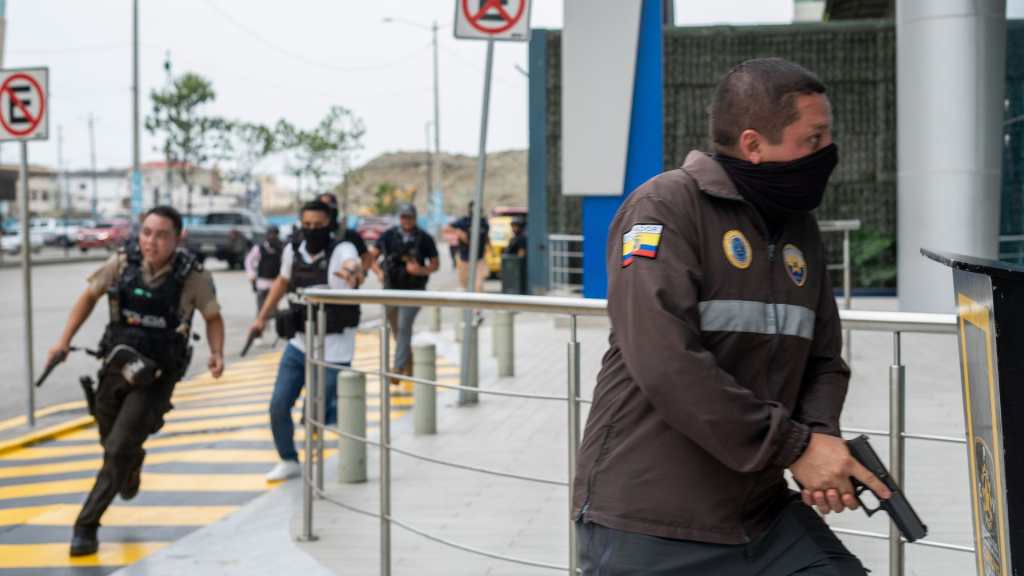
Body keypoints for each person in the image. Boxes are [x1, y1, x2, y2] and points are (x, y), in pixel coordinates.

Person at [572, 58, 892, 575]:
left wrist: (819, 440)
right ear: (752, 144)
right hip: (653, 519)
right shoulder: (662, 208)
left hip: (760, 515)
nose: (826, 154)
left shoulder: (797, 228)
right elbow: (665, 361)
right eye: (812, 140)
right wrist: (794, 447)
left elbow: (824, 356)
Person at [45, 206, 225, 557]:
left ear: (177, 238)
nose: (151, 242)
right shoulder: (122, 263)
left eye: (161, 235)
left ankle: (86, 526)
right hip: (116, 368)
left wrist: (217, 352)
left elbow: (213, 316)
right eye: (146, 233)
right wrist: (63, 340)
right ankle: (132, 463)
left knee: (117, 448)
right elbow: (88, 297)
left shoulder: (193, 277)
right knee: (111, 439)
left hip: (156, 377)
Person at [250, 200, 364, 481]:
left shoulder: (341, 250)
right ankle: (288, 459)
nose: (312, 231)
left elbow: (354, 264)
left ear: (330, 225)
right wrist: (261, 318)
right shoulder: (292, 249)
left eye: (319, 226)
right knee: (278, 405)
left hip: (334, 349)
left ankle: (322, 446)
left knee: (317, 410)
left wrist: (351, 273)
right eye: (307, 225)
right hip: (299, 344)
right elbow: (281, 281)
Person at [369, 204, 439, 386]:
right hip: (391, 289)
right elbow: (371, 257)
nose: (406, 221)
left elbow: (435, 264)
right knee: (397, 331)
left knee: (403, 325)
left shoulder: (424, 238)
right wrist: (379, 273)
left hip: (414, 291)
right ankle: (409, 363)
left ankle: (398, 368)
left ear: (415, 218)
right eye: (403, 217)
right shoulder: (389, 236)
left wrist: (421, 270)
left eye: (409, 217)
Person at [317, 192, 375, 273]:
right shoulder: (306, 234)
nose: (329, 213)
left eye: (332, 208)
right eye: (324, 208)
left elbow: (366, 257)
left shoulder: (349, 235)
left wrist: (360, 273)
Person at [244, 226, 283, 339]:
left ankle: (277, 331)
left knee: (274, 309)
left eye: (274, 234)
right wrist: (251, 275)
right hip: (262, 283)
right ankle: (258, 334)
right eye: (270, 234)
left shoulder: (280, 248)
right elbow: (248, 261)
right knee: (261, 309)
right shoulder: (259, 248)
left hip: (275, 284)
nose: (272, 237)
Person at [450, 202, 489, 292]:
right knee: (464, 286)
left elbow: (486, 237)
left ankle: (477, 305)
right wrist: (459, 232)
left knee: (478, 286)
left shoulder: (483, 222)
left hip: (479, 258)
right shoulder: (465, 221)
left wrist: (488, 249)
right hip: (465, 257)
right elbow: (447, 228)